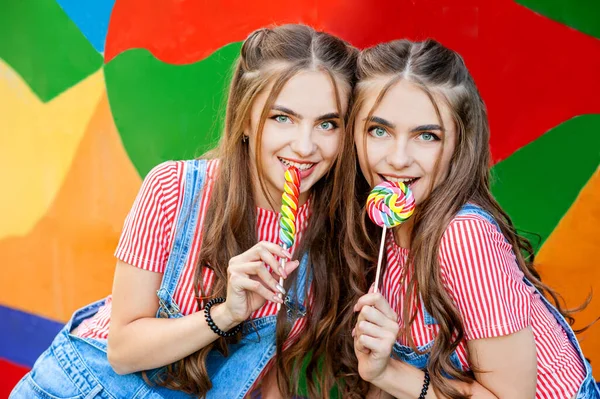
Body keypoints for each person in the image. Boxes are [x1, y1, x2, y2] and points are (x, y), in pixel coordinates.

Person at [11, 24, 359, 399]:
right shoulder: (174, 189)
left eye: (327, 123)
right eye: (282, 118)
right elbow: (123, 350)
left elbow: (277, 376)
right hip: (84, 389)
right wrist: (227, 313)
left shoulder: (334, 233)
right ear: (245, 118)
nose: (305, 146)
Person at [346, 39, 599, 398]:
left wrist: (387, 373)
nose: (398, 158)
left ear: (458, 145)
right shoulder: (381, 227)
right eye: (379, 130)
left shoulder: (464, 237)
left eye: (427, 136)